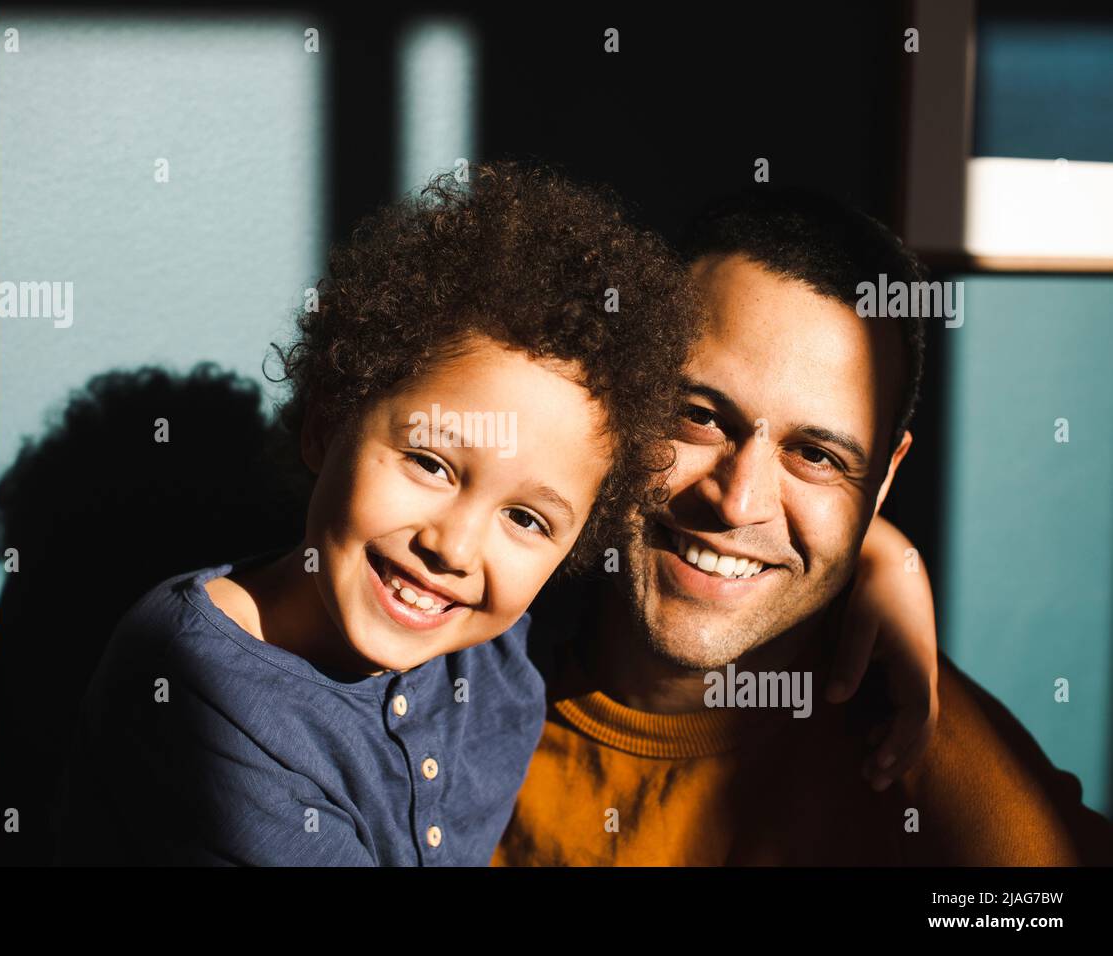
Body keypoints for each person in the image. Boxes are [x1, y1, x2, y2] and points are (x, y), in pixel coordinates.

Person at [54, 165, 938, 866]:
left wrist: (879, 558)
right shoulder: (200, 693)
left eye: (818, 456)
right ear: (328, 420)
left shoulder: (511, 607)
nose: (455, 545)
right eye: (432, 463)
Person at [492, 188, 1113, 866]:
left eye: (816, 455)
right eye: (698, 416)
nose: (737, 503)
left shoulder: (931, 767)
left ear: (883, 485)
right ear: (619, 390)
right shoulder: (443, 662)